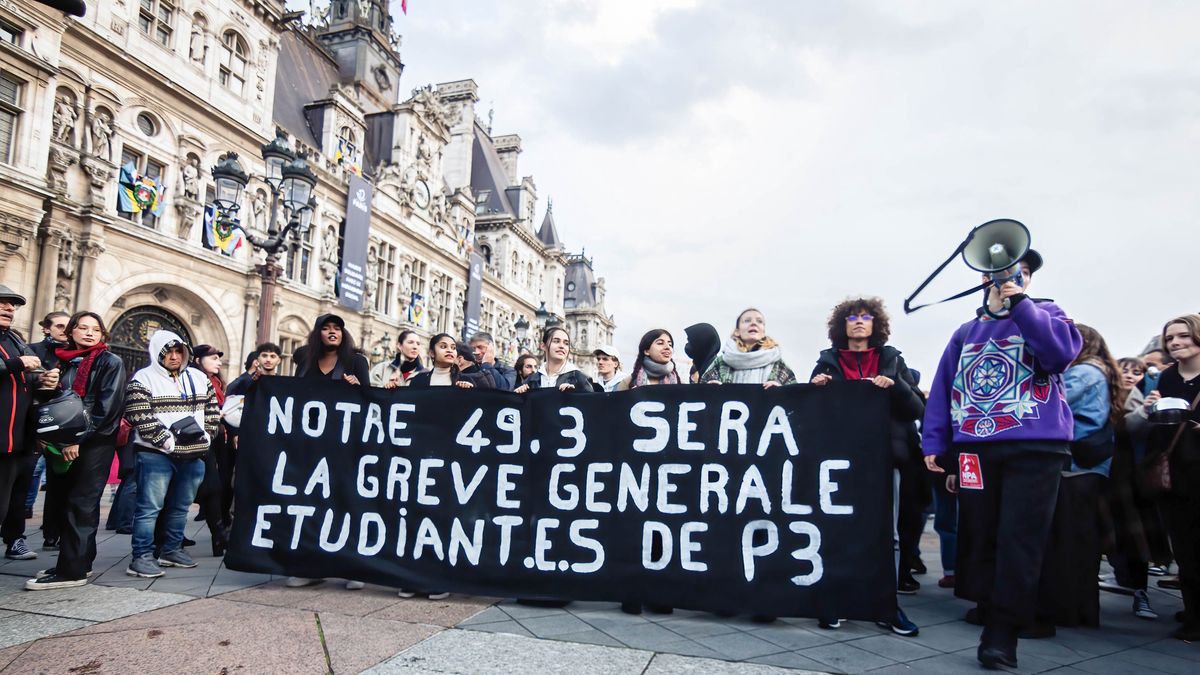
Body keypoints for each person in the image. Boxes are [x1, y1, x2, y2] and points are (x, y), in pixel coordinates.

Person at [922, 249, 1082, 669]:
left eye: (1022, 273)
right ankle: (990, 610)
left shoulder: (1047, 314)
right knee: (981, 534)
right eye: (1004, 273)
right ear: (983, 280)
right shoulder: (965, 331)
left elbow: (1059, 354)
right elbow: (943, 389)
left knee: (1020, 539)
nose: (1013, 278)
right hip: (976, 448)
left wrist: (1021, 306)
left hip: (1036, 447)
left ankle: (1002, 633)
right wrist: (936, 444)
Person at [811, 297, 923, 637]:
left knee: (883, 533)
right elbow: (812, 414)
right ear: (841, 325)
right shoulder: (827, 361)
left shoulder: (891, 359)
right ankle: (839, 599)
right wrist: (817, 389)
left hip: (887, 457)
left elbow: (916, 408)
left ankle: (885, 605)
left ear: (876, 325)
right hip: (842, 457)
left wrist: (896, 386)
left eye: (866, 316)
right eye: (852, 317)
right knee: (841, 530)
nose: (859, 321)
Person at [25, 311, 126, 590]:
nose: (89, 333)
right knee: (64, 502)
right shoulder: (63, 361)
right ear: (71, 332)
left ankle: (72, 571)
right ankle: (79, 561)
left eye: (95, 329)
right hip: (63, 442)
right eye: (82, 327)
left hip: (93, 443)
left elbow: (106, 409)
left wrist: (77, 440)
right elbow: (58, 404)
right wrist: (46, 387)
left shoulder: (110, 361)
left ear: (103, 335)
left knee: (81, 503)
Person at [1030, 324, 1121, 634]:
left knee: (1068, 542)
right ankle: (1081, 609)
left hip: (1077, 467)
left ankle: (1066, 608)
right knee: (1082, 542)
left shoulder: (1084, 373)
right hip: (1092, 468)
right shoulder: (1102, 371)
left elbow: (1050, 396)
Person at [123, 331, 219, 579]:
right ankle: (141, 556)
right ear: (158, 353)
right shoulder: (143, 378)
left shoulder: (199, 378)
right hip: (155, 454)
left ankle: (171, 549)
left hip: (194, 454)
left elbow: (211, 410)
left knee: (180, 507)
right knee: (149, 508)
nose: (174, 357)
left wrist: (208, 435)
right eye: (169, 352)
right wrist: (167, 441)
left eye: (179, 351)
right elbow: (139, 415)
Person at [1144, 314, 1200, 641]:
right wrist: (1151, 407)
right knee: (1184, 548)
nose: (1176, 343)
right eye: (1171, 338)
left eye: (1184, 336)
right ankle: (1192, 612)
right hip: (1174, 472)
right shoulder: (1166, 378)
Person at [1108, 355, 1169, 620]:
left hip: (1127, 476)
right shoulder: (1109, 390)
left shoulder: (1137, 397)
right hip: (1108, 472)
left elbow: (1131, 431)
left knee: (1133, 536)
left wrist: (1144, 411)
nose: (1131, 375)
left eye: (1137, 371)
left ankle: (1139, 593)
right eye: (1125, 370)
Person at [0, 288, 58, 562]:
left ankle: (15, 539)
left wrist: (43, 381)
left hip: (17, 437)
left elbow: (26, 381)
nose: (9, 309)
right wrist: (17, 363)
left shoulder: (14, 339)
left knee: (14, 496)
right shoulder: (16, 351)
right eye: (2, 304)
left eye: (12, 305)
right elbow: (13, 368)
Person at [191, 345, 229, 556]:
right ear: (197, 360)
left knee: (213, 487)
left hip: (215, 440)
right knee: (208, 487)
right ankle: (219, 536)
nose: (218, 362)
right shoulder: (193, 379)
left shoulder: (216, 382)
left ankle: (219, 536)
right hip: (197, 439)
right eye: (213, 358)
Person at [701, 308, 797, 387]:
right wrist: (710, 389)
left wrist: (781, 390)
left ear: (763, 331)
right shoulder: (721, 362)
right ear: (737, 331)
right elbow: (701, 391)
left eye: (759, 321)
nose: (753, 323)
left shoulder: (778, 364)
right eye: (747, 321)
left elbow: (795, 397)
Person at [294, 314, 369, 385]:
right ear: (317, 335)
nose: (332, 331)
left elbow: (368, 395)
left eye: (337, 329)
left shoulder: (357, 361)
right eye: (325, 328)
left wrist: (357, 387)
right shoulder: (305, 362)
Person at [514, 327, 593, 393]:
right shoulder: (531, 380)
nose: (562, 346)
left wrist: (575, 394)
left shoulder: (580, 379)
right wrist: (518, 396)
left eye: (566, 343)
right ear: (543, 346)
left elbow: (590, 406)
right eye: (556, 341)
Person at [409, 335, 490, 390]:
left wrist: (468, 391)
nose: (449, 350)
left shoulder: (466, 380)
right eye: (443, 346)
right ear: (432, 353)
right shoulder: (418, 380)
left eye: (453, 348)